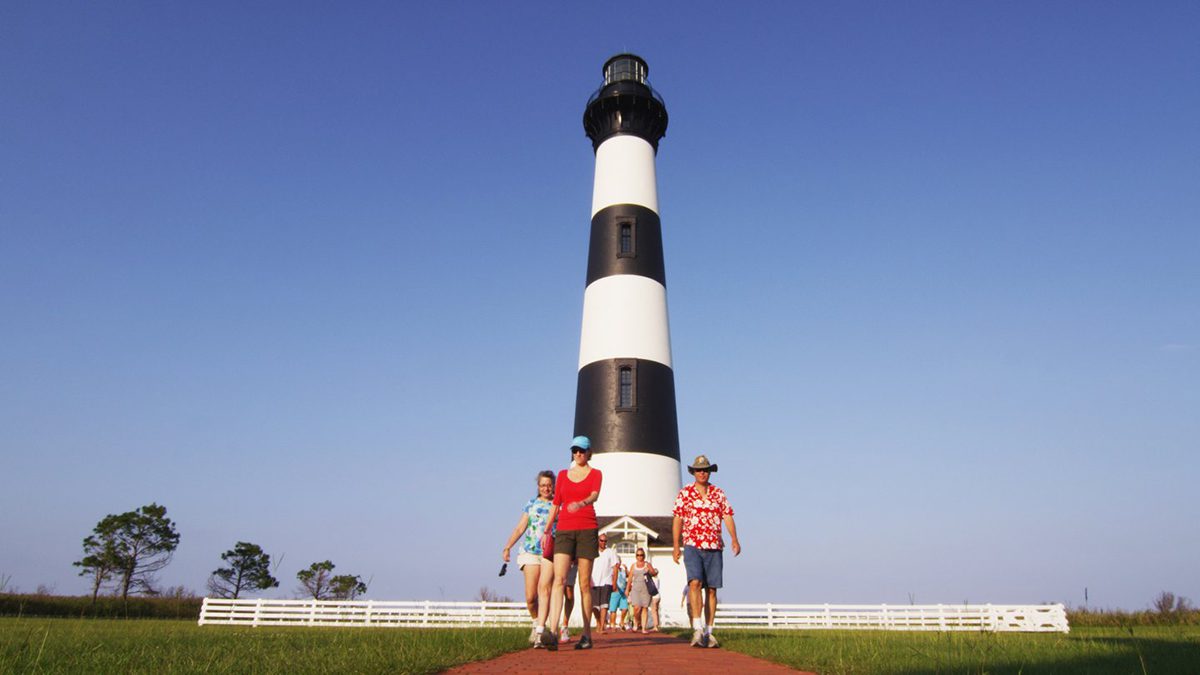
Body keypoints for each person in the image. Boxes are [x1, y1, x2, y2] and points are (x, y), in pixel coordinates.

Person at [673, 454, 741, 649]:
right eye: (698, 470)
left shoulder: (718, 493)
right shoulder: (685, 493)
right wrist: (677, 545)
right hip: (692, 544)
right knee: (695, 583)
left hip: (714, 545)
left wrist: (734, 538)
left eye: (705, 469)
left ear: (709, 472)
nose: (702, 473)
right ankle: (697, 628)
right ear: (693, 472)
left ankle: (709, 632)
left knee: (712, 589)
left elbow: (727, 515)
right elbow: (677, 518)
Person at [542, 436, 602, 651]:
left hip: (587, 528)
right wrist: (547, 530)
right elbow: (556, 504)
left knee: (584, 584)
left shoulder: (596, 474)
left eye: (582, 450)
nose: (578, 454)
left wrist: (582, 503)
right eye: (575, 450)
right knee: (559, 579)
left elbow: (594, 495)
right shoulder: (563, 475)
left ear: (589, 452)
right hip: (565, 530)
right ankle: (553, 631)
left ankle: (586, 634)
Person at [501, 470, 556, 647]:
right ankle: (536, 622)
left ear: (553, 485)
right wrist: (508, 546)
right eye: (542, 485)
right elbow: (520, 528)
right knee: (531, 596)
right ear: (538, 487)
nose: (546, 488)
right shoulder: (531, 504)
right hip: (530, 551)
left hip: (549, 552)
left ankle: (540, 631)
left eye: (549, 485)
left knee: (544, 591)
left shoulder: (558, 505)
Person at [591, 533, 618, 632]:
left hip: (607, 581)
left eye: (605, 541)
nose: (603, 543)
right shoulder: (592, 551)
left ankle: (602, 626)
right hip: (594, 581)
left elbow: (615, 567)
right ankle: (598, 621)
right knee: (594, 607)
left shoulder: (610, 552)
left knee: (604, 605)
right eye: (601, 540)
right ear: (598, 541)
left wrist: (614, 582)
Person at [626, 547, 657, 633]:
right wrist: (627, 589)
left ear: (644, 556)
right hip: (636, 588)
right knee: (636, 608)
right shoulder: (633, 565)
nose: (640, 557)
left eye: (641, 555)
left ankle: (643, 628)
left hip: (646, 588)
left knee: (645, 608)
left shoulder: (647, 564)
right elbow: (630, 578)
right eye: (638, 555)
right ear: (636, 556)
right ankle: (636, 622)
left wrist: (650, 571)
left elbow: (654, 573)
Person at [607, 562, 629, 630]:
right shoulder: (611, 570)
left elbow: (628, 576)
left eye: (619, 562)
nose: (618, 564)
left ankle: (621, 622)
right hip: (615, 591)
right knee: (613, 609)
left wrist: (626, 569)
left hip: (623, 591)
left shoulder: (622, 570)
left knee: (625, 608)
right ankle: (612, 624)